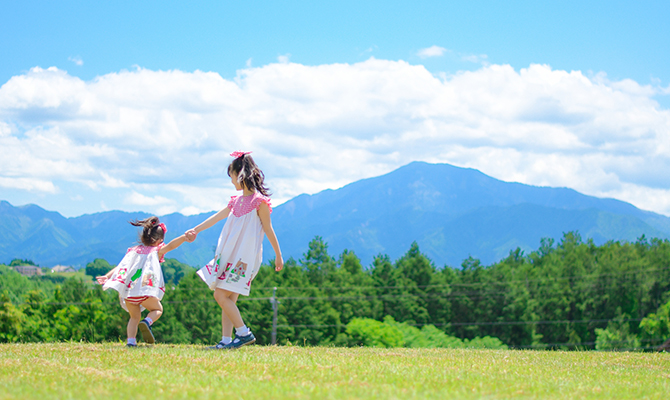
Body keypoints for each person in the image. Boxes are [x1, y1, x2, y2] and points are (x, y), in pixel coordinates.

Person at [186, 151, 283, 349]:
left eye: (231, 176)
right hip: (229, 256)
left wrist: (278, 255)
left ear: (240, 174)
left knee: (220, 295)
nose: (231, 182)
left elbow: (268, 228)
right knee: (228, 299)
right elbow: (216, 217)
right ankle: (226, 341)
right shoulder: (236, 201)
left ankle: (244, 333)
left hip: (243, 259)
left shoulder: (260, 202)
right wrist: (195, 229)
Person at [96, 217, 191, 347]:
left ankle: (130, 342)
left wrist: (107, 276)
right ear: (160, 240)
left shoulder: (134, 251)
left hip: (129, 293)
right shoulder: (157, 250)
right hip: (145, 291)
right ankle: (147, 322)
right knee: (158, 309)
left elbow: (121, 267)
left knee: (134, 318)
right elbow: (171, 246)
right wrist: (184, 237)